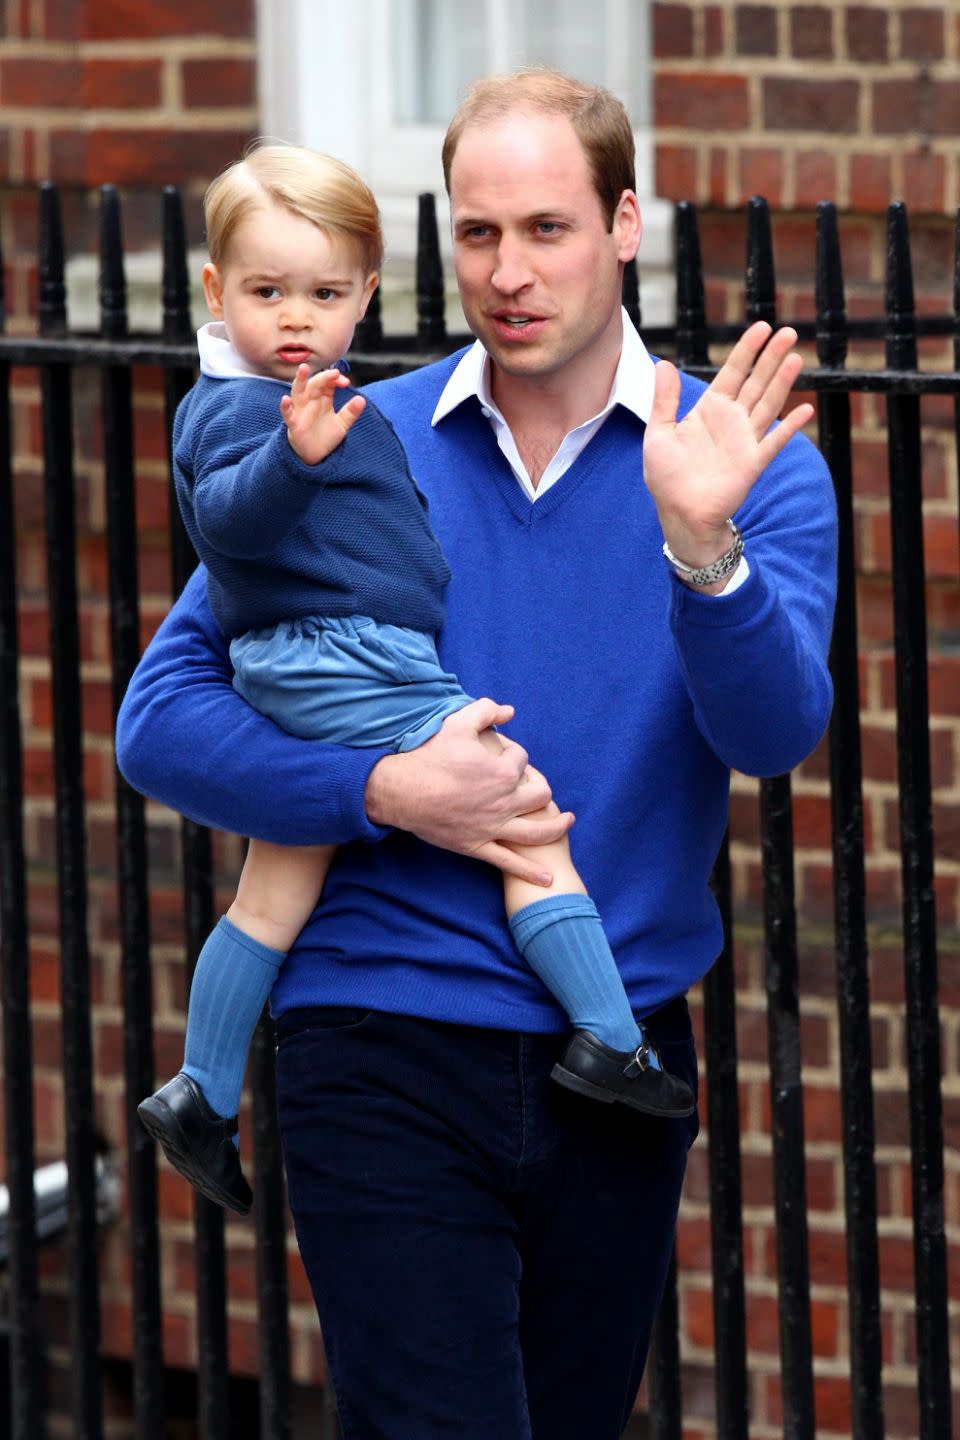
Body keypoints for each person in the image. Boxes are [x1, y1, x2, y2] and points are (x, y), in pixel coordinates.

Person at [117, 69, 836, 1440]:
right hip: (377, 1036)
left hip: (610, 1050)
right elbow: (160, 721)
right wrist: (383, 791)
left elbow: (773, 734)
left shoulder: (741, 463)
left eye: (549, 230)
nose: (508, 273)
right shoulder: (343, 428)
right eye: (477, 233)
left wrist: (700, 546)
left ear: (628, 224)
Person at [136, 142, 697, 1219]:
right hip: (350, 655)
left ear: (366, 297)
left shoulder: (316, 394)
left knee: (275, 887)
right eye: (267, 292)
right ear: (216, 293)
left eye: (325, 293)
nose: (295, 317)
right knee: (524, 818)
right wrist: (295, 459)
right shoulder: (245, 407)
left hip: (326, 654)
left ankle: (201, 1093)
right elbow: (226, 524)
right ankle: (614, 1042)